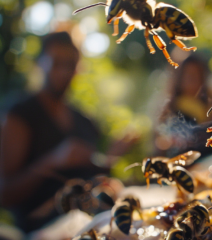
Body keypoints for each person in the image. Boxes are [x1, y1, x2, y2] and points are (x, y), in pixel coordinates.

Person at [0, 32, 135, 233]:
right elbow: (5, 193)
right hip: (45, 228)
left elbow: (92, 174)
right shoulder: (20, 115)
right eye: (57, 63)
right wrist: (53, 159)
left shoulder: (84, 120)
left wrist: (109, 159)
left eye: (70, 64)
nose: (64, 71)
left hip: (96, 217)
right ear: (40, 63)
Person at [153, 54, 212, 157]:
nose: (195, 82)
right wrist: (164, 144)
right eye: (190, 77)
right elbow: (159, 146)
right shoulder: (168, 111)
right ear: (178, 78)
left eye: (198, 76)